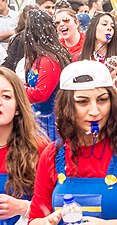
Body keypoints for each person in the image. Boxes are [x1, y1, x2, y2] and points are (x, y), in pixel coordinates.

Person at [28, 60, 117, 225]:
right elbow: (35, 218)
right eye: (82, 102)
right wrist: (45, 222)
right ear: (66, 106)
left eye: (102, 100)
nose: (95, 111)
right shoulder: (52, 155)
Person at [0, 67, 49, 225]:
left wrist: (24, 208)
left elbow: (56, 207)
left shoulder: (39, 149)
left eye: (6, 96)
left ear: (17, 108)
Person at [24, 10, 72, 141]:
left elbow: (41, 94)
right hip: (41, 120)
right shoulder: (42, 56)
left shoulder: (48, 60)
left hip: (50, 123)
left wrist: (18, 89)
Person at [77, 12, 117, 83]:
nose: (109, 28)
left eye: (112, 27)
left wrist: (114, 78)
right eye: (104, 24)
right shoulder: (79, 58)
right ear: (93, 28)